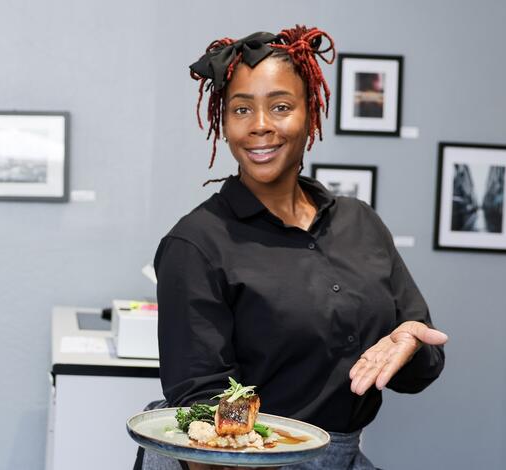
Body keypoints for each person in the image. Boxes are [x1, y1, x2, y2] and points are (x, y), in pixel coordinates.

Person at [143, 26, 447, 470]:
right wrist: (250, 452)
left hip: (341, 457)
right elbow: (202, 407)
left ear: (311, 113)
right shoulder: (196, 243)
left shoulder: (360, 223)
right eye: (241, 109)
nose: (260, 125)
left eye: (280, 106)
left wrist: (409, 343)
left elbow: (423, 362)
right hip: (235, 462)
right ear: (224, 124)